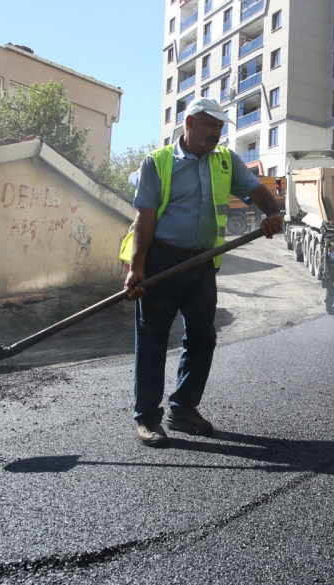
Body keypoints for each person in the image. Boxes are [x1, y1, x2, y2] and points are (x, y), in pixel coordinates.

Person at [122, 98, 283, 448]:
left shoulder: (225, 160)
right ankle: (147, 418)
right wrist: (137, 268)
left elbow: (258, 192)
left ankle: (182, 410)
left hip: (202, 264)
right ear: (190, 122)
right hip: (162, 262)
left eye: (221, 128)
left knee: (202, 338)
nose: (217, 133)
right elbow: (144, 219)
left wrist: (273, 211)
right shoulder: (158, 163)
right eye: (211, 125)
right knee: (152, 340)